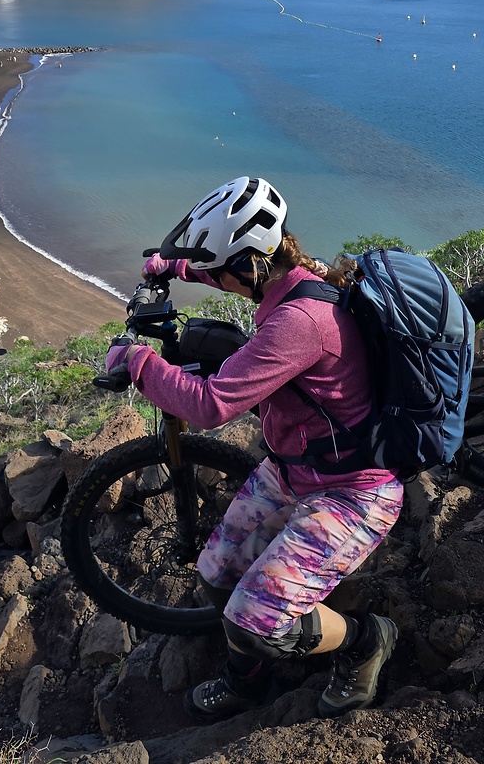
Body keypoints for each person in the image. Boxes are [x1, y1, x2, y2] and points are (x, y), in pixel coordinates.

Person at [105, 176, 403, 722]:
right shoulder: (289, 277)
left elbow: (211, 405)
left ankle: (365, 640)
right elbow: (227, 273)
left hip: (353, 493)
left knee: (251, 622)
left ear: (251, 263)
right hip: (294, 469)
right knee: (215, 576)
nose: (218, 280)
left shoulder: (299, 322)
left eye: (222, 271)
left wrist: (136, 361)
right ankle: (249, 680)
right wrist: (177, 267)